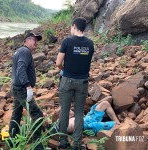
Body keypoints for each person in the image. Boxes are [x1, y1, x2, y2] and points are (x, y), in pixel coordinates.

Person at [56, 17, 94, 150]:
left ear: (74, 26)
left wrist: (64, 70)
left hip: (67, 80)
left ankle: (63, 141)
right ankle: (77, 143)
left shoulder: (67, 41)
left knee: (64, 111)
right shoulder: (90, 43)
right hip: (82, 82)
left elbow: (58, 63)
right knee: (78, 112)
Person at [9, 31, 44, 149]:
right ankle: (37, 144)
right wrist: (28, 86)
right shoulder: (25, 52)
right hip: (22, 89)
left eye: (36, 40)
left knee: (17, 113)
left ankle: (12, 139)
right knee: (37, 113)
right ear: (26, 40)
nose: (36, 42)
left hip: (16, 88)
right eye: (33, 39)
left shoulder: (19, 51)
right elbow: (20, 69)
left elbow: (18, 69)